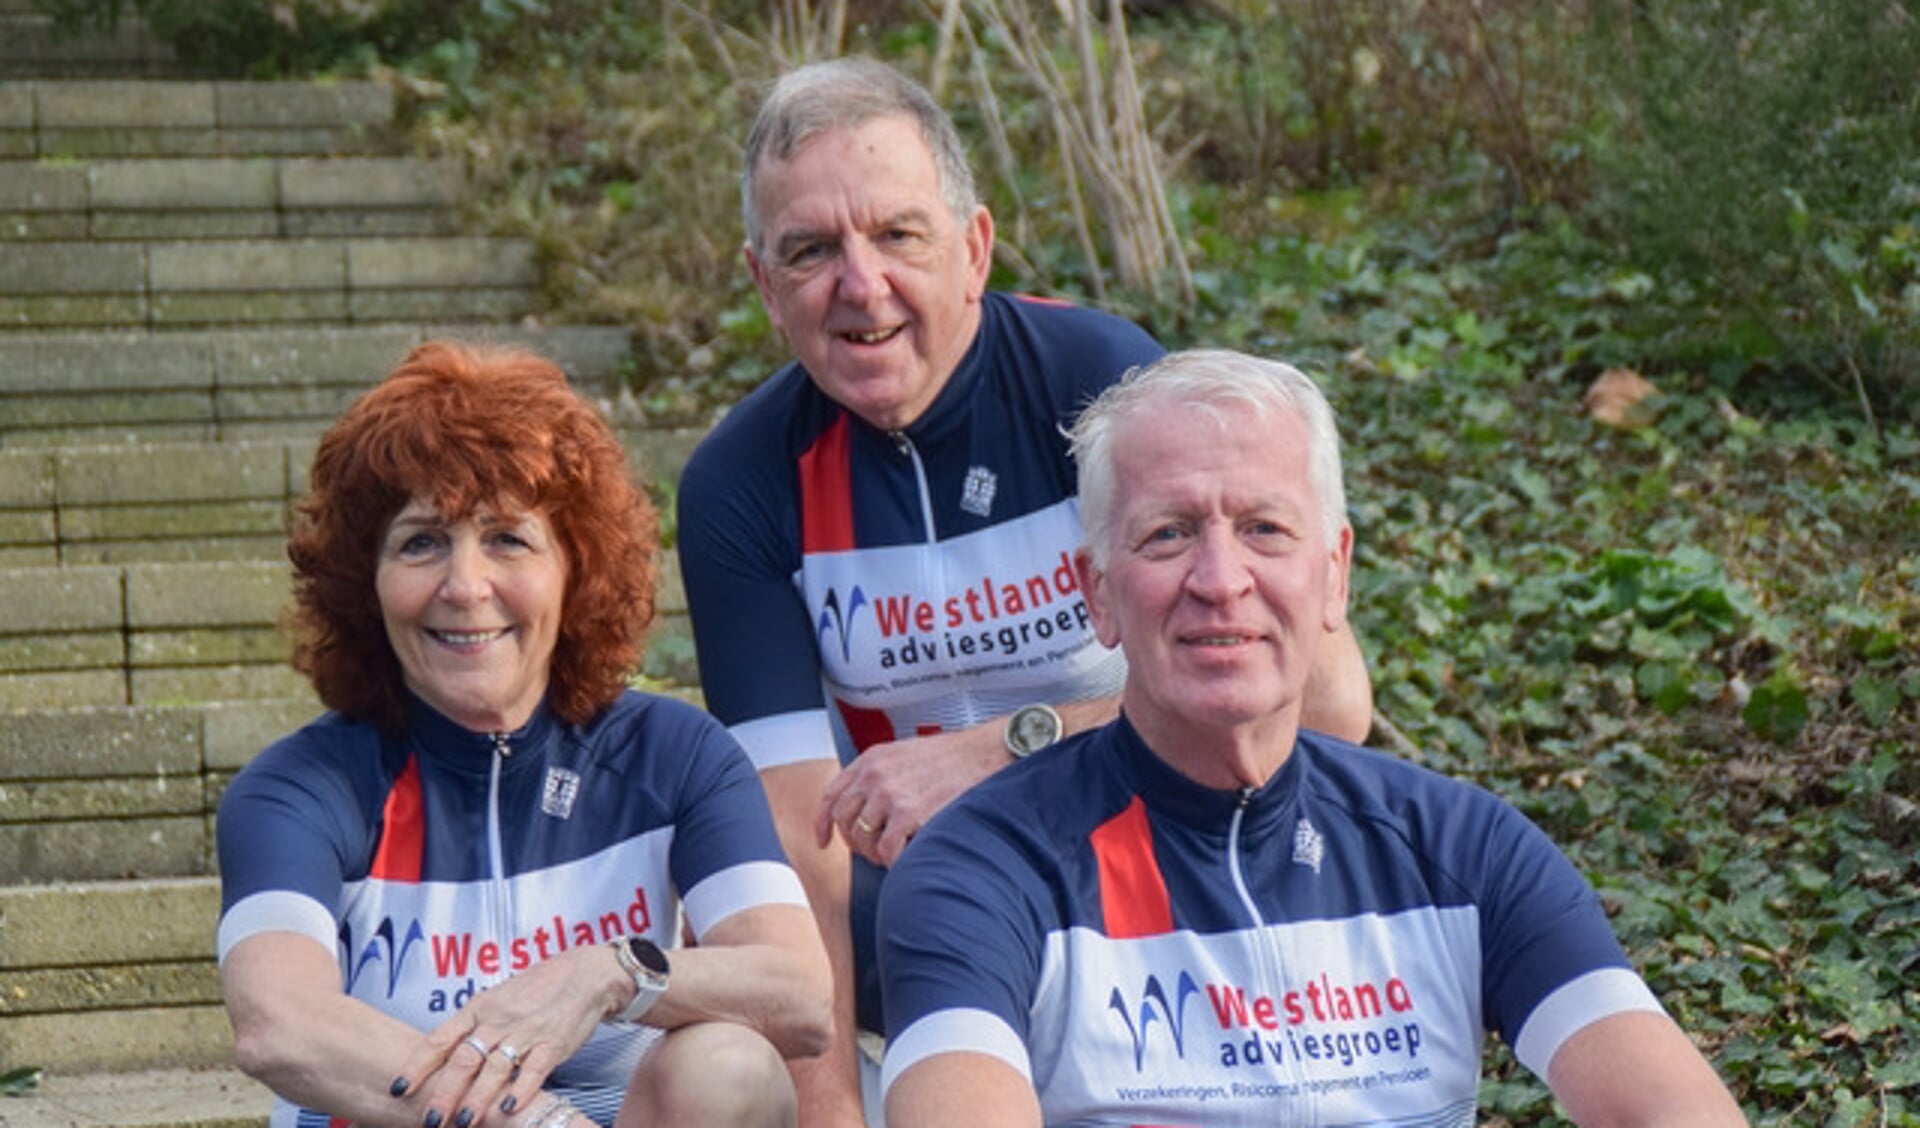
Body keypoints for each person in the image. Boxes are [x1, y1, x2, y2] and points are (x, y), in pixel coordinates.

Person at [676, 59, 1375, 1123]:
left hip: (1162, 847)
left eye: (899, 235)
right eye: (810, 251)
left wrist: (998, 746)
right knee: (722, 954)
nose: (859, 286)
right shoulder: (743, 480)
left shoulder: (1097, 377)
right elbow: (793, 845)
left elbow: (1327, 705)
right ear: (765, 284)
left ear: (974, 248)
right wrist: (829, 1119)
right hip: (923, 899)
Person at [876, 349, 1748, 1126]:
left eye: (1265, 529)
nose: (1221, 581)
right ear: (1098, 593)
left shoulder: (1464, 850)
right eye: (1169, 533)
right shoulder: (979, 872)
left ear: (1334, 577)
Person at [215, 341, 833, 1128]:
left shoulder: (675, 754)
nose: (466, 587)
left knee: (728, 1068)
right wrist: (536, 1124)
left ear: (576, 569)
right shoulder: (299, 788)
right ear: (364, 584)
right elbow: (279, 1025)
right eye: (421, 542)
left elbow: (801, 996)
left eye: (509, 539)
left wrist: (609, 975)